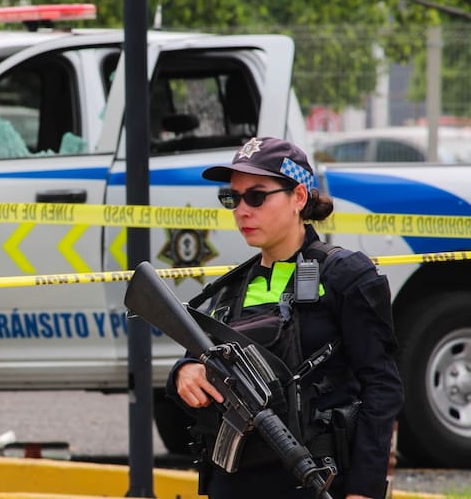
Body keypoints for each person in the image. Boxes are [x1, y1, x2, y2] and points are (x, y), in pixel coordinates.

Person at [166, 136, 404, 499]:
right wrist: (183, 373)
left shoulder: (345, 275)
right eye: (232, 198)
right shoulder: (230, 290)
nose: (242, 210)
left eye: (256, 196)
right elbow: (196, 363)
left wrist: (365, 489)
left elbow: (383, 387)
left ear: (299, 197)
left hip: (317, 481)